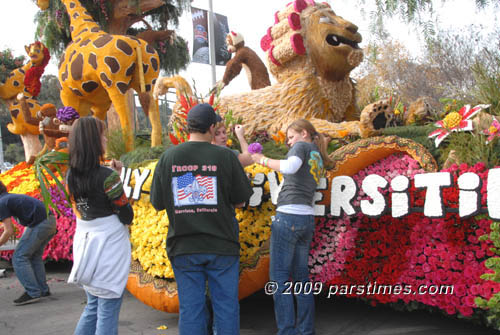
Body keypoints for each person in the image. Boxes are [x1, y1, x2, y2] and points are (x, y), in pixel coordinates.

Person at [150, 103, 253, 335]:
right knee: (226, 306)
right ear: (211, 127)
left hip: (184, 246)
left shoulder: (169, 157)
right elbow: (240, 201)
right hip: (222, 246)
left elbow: (157, 203)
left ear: (188, 127)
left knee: (191, 309)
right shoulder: (225, 157)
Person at [250, 119, 334, 335]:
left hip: (288, 217)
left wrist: (262, 159)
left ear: (304, 133)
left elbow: (290, 166)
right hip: (306, 219)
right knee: (301, 279)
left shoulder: (302, 146)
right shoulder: (316, 153)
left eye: (290, 137)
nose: (288, 143)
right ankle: (306, 330)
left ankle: (287, 331)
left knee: (279, 278)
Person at [66, 116, 133, 335]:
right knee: (107, 311)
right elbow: (126, 214)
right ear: (93, 141)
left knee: (93, 306)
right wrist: (118, 178)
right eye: (102, 135)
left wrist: (115, 175)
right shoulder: (108, 177)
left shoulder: (70, 176)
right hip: (109, 250)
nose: (105, 139)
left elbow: (85, 207)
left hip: (86, 249)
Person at [0, 180, 57, 305]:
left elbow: (8, 231)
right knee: (34, 256)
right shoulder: (8, 198)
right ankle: (42, 290)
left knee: (19, 257)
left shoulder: (1, 202)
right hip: (49, 221)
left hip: (41, 223)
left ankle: (32, 292)